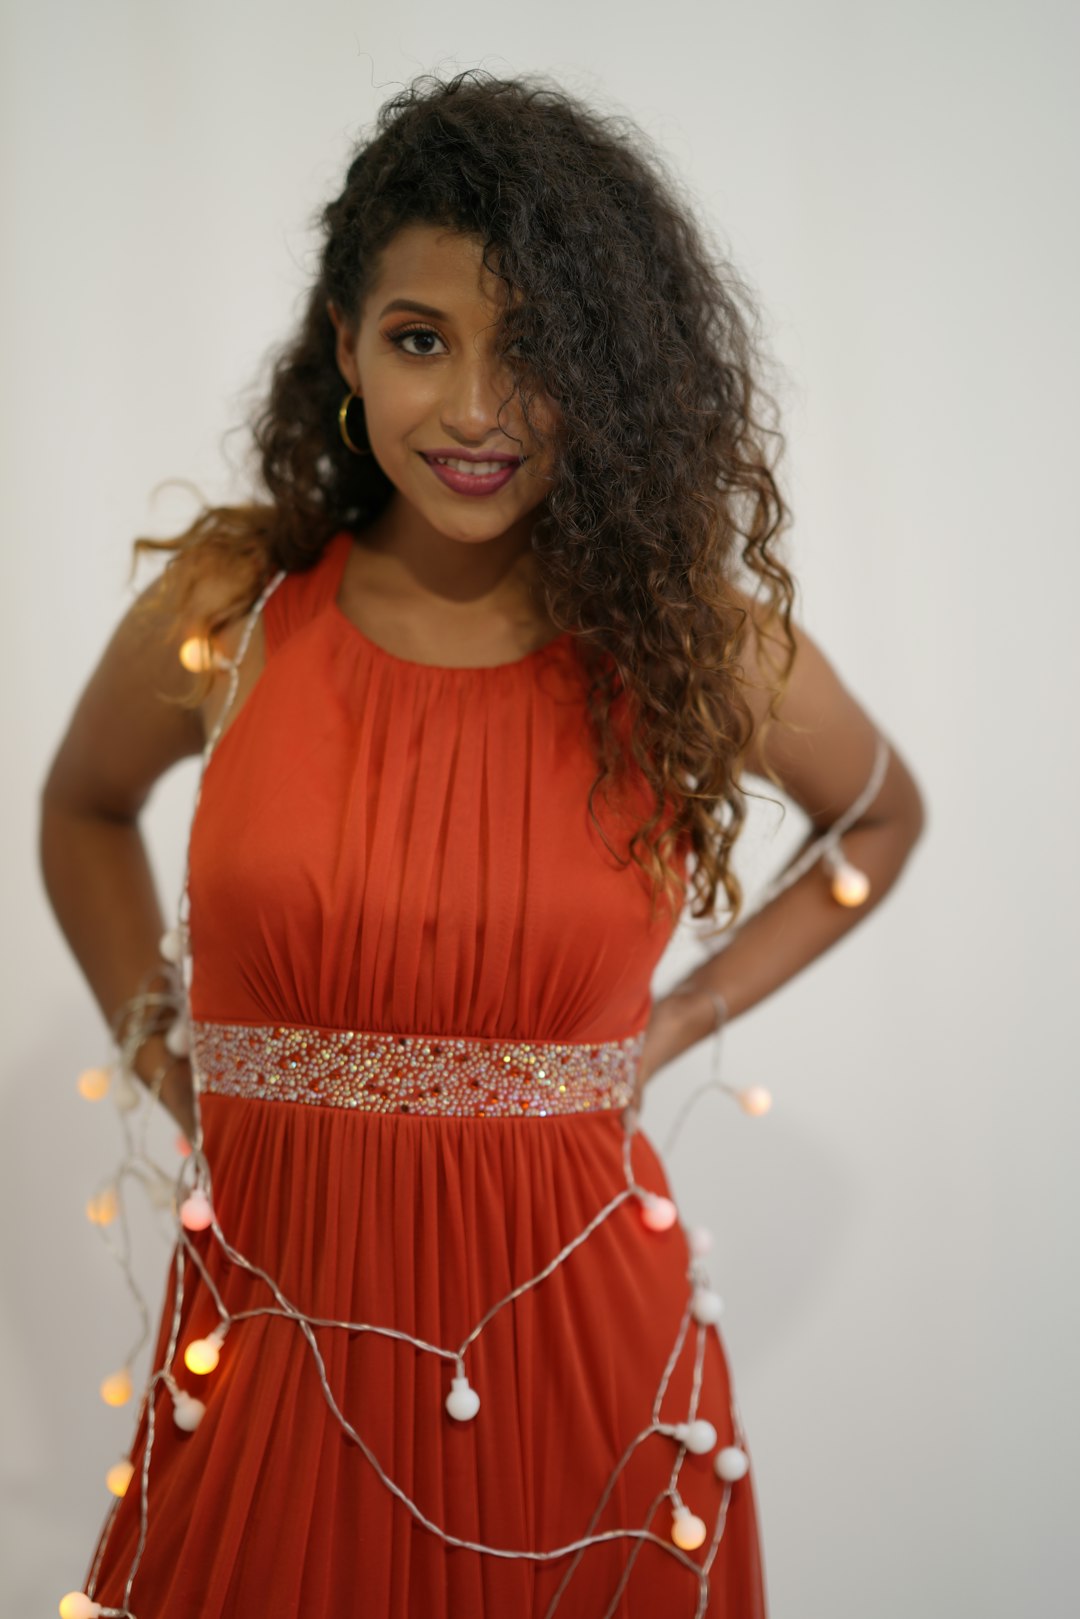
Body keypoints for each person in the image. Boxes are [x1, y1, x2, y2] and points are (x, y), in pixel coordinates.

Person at [39, 68, 926, 1619]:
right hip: (270, 1352)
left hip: (585, 1372)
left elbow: (880, 814)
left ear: (613, 374)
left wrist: (673, 1026)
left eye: (535, 353)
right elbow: (82, 807)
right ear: (344, 346)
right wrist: (161, 1043)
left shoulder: (679, 645)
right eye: (421, 340)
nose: (473, 411)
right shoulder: (232, 616)